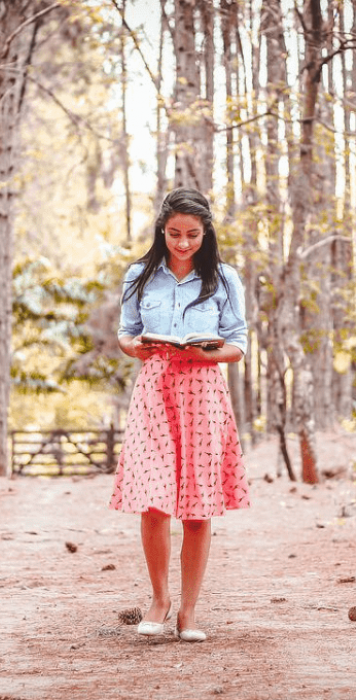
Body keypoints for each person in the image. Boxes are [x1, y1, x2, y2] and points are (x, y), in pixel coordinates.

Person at [110, 188, 250, 643]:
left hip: (203, 391)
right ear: (162, 230)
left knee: (196, 504)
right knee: (154, 498)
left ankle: (189, 612)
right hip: (155, 389)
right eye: (174, 234)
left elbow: (238, 343)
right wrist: (138, 347)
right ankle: (159, 599)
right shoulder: (139, 275)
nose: (183, 243)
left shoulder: (225, 278)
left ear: (206, 232)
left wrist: (210, 352)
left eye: (192, 234)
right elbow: (127, 334)